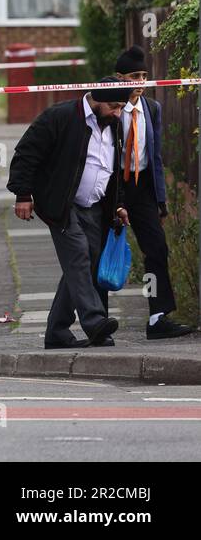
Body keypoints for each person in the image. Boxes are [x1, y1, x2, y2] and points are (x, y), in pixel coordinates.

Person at [7, 79, 132, 349]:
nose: (118, 113)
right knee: (77, 254)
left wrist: (118, 204)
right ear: (97, 99)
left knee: (84, 263)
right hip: (61, 204)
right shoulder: (60, 117)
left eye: (122, 107)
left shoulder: (115, 125)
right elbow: (26, 153)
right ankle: (95, 321)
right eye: (114, 106)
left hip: (95, 206)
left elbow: (112, 171)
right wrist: (23, 194)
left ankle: (57, 332)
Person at [113, 46, 194, 339]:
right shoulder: (111, 108)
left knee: (156, 249)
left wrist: (160, 200)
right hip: (113, 186)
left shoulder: (152, 108)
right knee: (95, 252)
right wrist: (115, 200)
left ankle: (157, 316)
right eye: (134, 76)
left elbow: (155, 156)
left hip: (143, 185)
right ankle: (94, 319)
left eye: (144, 76)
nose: (140, 82)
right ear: (120, 78)